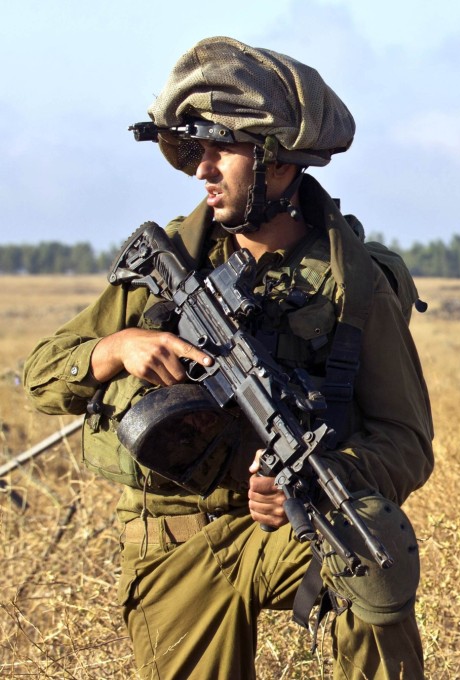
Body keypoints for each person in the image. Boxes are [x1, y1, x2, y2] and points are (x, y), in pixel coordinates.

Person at [22, 37, 433, 680]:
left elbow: (407, 442)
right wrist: (116, 348)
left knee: (371, 546)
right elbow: (42, 376)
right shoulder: (168, 266)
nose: (202, 171)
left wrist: (325, 475)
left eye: (221, 151)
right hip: (173, 544)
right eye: (195, 151)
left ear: (277, 162)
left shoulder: (355, 284)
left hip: (282, 531)